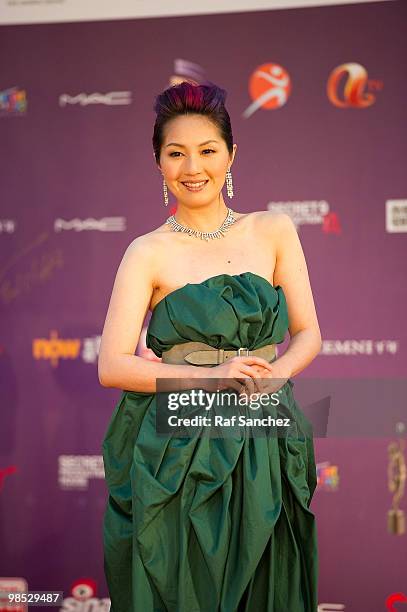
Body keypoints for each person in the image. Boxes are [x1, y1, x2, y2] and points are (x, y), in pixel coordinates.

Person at [98, 80, 321, 612]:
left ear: (230, 155)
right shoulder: (146, 251)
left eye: (207, 150)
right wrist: (210, 378)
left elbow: (308, 332)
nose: (192, 167)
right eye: (176, 153)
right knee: (184, 586)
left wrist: (277, 373)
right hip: (180, 449)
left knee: (267, 584)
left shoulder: (273, 229)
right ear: (158, 162)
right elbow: (112, 365)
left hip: (264, 432)